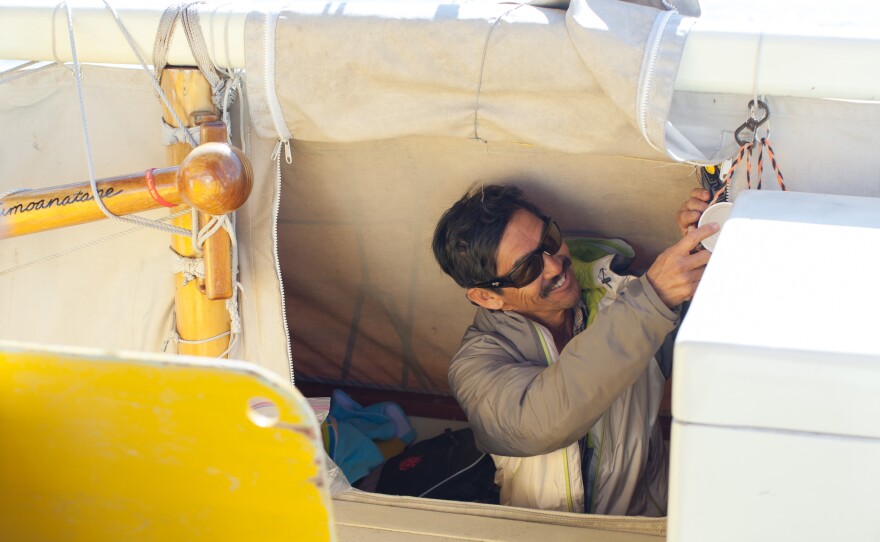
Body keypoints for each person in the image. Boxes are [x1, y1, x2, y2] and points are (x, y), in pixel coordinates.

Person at [431, 184, 714, 516]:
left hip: (645, 527)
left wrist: (703, 248)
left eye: (548, 241)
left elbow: (713, 335)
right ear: (488, 297)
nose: (554, 266)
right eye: (526, 269)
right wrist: (653, 299)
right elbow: (542, 420)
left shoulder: (628, 298)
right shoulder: (475, 367)